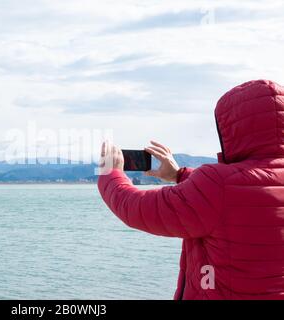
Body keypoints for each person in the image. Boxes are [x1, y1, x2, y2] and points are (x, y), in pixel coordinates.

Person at [98, 79, 284, 300]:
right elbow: (250, 189)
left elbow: (135, 208)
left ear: (232, 128)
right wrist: (180, 175)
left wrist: (111, 173)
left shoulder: (217, 185)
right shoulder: (220, 187)